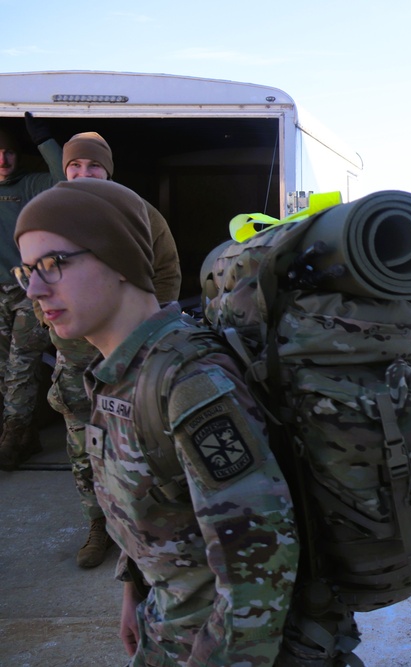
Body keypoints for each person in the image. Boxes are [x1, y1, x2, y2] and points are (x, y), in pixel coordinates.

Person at [14, 178, 299, 665]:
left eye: (52, 264)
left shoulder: (189, 383)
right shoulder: (117, 371)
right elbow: (154, 501)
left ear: (120, 259)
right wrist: (136, 591)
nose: (35, 290)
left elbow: (258, 564)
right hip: (166, 625)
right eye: (26, 272)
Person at [43, 130, 182, 568]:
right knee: (85, 448)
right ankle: (97, 528)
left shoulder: (140, 214)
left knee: (141, 448)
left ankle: (139, 534)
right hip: (76, 358)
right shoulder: (50, 217)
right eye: (75, 166)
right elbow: (39, 279)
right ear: (64, 171)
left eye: (93, 165)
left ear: (108, 169)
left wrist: (138, 331)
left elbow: (167, 275)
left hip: (131, 358)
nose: (85, 173)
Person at [0, 114, 63, 470]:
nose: (3, 159)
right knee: (2, 368)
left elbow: (64, 179)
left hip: (27, 290)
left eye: (8, 151)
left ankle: (12, 438)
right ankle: (28, 436)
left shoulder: (28, 185)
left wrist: (44, 142)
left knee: (21, 365)